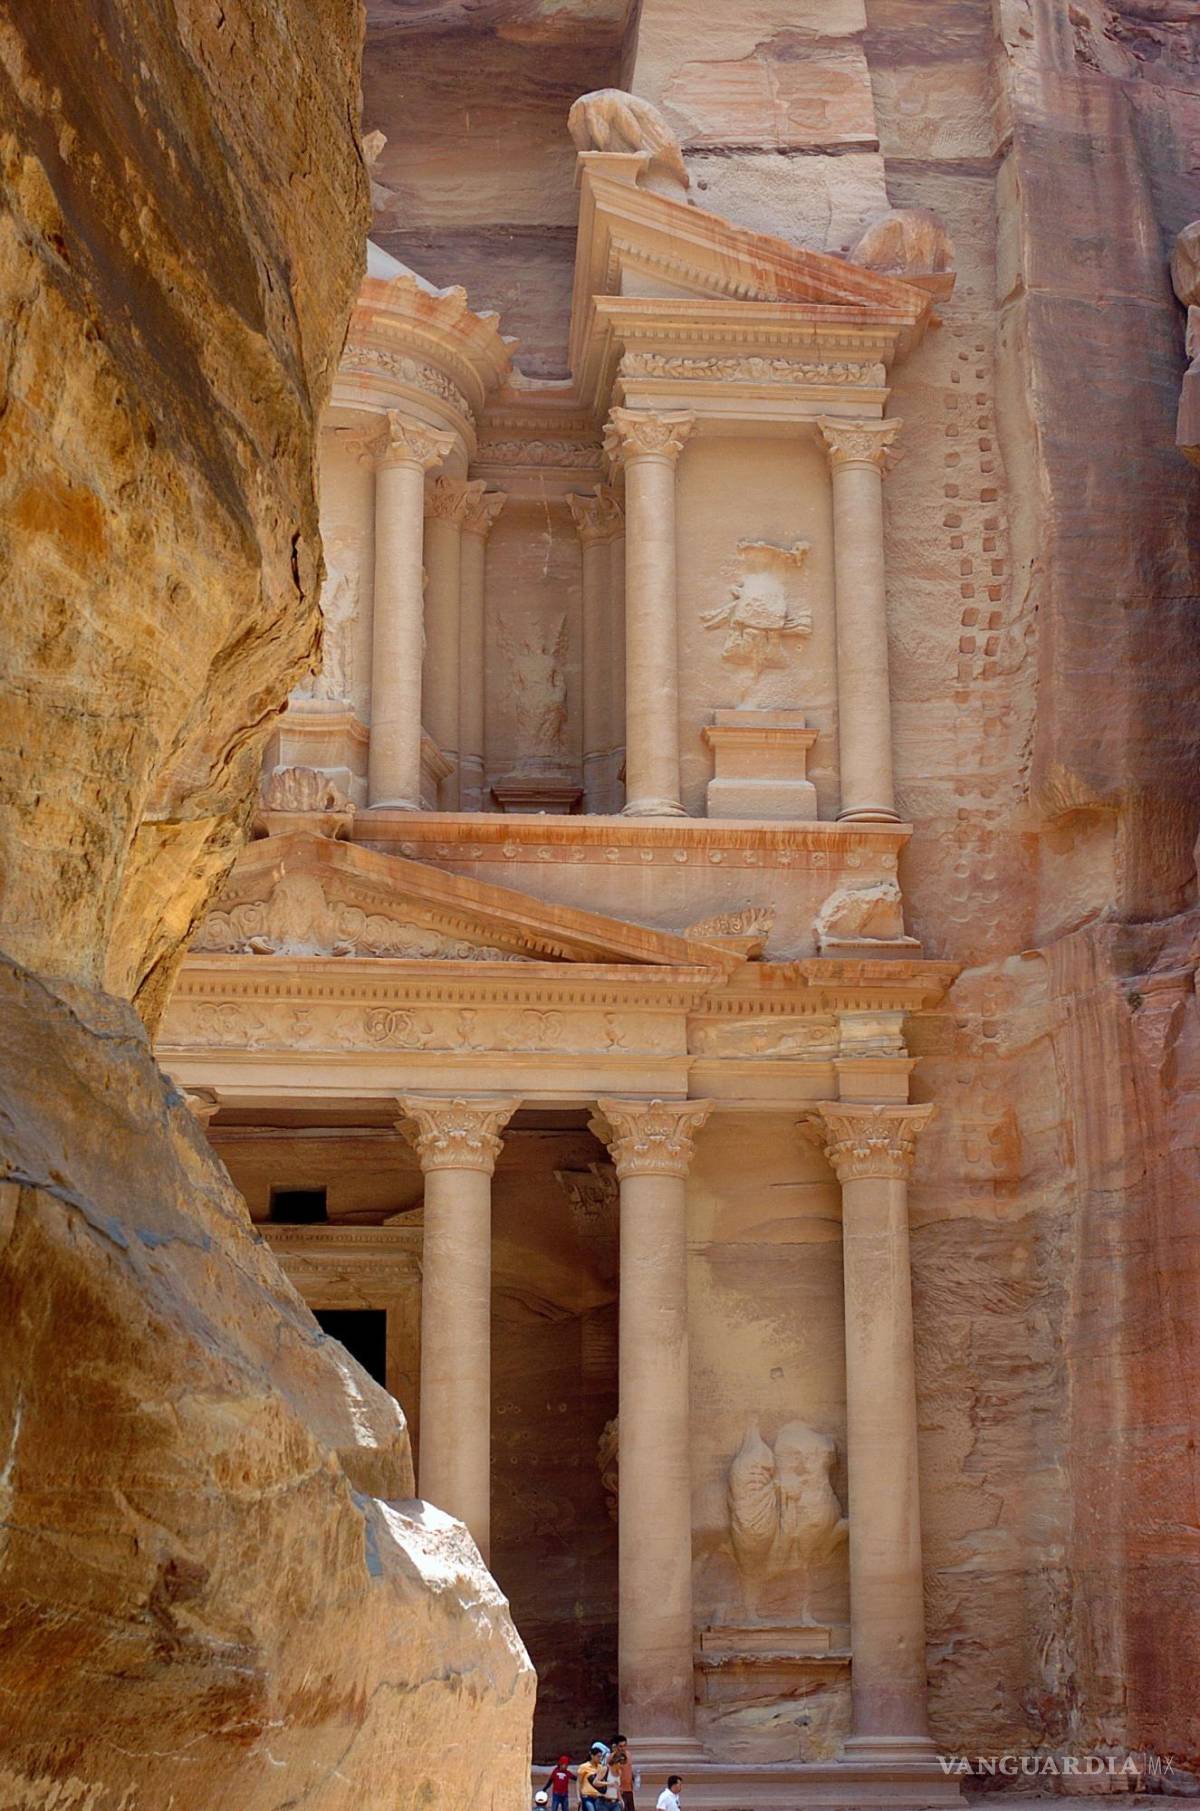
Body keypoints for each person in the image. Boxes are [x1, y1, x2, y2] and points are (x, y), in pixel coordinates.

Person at [609, 1734, 636, 1811]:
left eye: (624, 1745)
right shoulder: (612, 1758)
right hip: (620, 1791)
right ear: (616, 1746)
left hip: (629, 1790)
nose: (623, 1748)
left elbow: (629, 1769)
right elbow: (611, 1774)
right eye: (621, 1746)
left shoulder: (629, 1755)